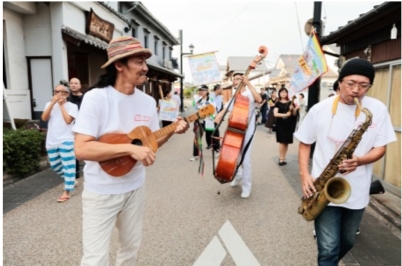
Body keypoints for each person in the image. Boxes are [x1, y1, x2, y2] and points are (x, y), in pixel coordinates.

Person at [72, 36, 189, 266]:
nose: (145, 68)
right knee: (95, 259)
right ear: (119, 65)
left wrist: (172, 130)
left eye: (146, 61)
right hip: (101, 192)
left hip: (135, 188)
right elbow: (81, 148)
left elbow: (150, 143)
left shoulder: (147, 102)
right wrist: (128, 148)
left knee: (130, 252)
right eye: (139, 61)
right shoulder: (96, 98)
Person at [294, 58, 396, 266]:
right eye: (351, 83)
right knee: (329, 249)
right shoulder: (319, 110)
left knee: (348, 241)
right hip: (324, 189)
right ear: (339, 82)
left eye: (363, 85)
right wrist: (305, 175)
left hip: (357, 189)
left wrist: (359, 160)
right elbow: (305, 143)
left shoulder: (376, 109)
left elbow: (381, 147)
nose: (356, 90)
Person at [215, 73, 262, 198]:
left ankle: (247, 186)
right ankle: (238, 174)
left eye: (237, 79)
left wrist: (248, 83)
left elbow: (259, 100)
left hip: (248, 130)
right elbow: (226, 109)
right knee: (234, 155)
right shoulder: (234, 95)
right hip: (234, 130)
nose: (235, 81)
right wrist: (219, 116)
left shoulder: (249, 93)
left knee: (245, 160)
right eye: (234, 79)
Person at [41, 83, 78, 203]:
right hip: (52, 140)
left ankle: (67, 191)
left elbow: (68, 121)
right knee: (55, 165)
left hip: (67, 139)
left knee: (68, 165)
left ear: (66, 94)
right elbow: (44, 118)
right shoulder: (49, 104)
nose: (57, 94)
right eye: (55, 92)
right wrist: (52, 103)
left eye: (60, 91)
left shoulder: (72, 106)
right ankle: (71, 179)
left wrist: (62, 105)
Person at [190, 84, 216, 161]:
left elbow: (213, 110)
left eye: (203, 90)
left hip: (208, 121)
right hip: (199, 121)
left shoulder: (211, 100)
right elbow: (193, 110)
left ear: (207, 91)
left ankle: (216, 149)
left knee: (210, 137)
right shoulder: (196, 100)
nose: (201, 92)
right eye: (200, 90)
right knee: (197, 137)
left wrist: (208, 115)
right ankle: (195, 155)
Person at [274, 87, 297, 165]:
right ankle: (281, 158)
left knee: (286, 142)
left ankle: (283, 158)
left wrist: (293, 108)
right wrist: (285, 114)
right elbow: (275, 114)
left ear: (287, 93)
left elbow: (294, 114)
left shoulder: (291, 102)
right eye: (282, 92)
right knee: (282, 142)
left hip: (289, 124)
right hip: (280, 124)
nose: (283, 93)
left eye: (285, 92)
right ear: (279, 94)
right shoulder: (277, 103)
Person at [68, 77, 85, 180]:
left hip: (82, 126)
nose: (73, 85)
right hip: (70, 127)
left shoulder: (85, 98)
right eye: (71, 83)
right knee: (72, 150)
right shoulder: (66, 98)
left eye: (76, 83)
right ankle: (75, 172)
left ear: (80, 85)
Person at [210, 84, 223, 154]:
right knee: (211, 132)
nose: (222, 90)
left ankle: (217, 148)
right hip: (209, 117)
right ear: (217, 89)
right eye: (221, 89)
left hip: (216, 116)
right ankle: (213, 145)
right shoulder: (210, 96)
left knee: (216, 131)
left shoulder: (220, 97)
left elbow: (220, 107)